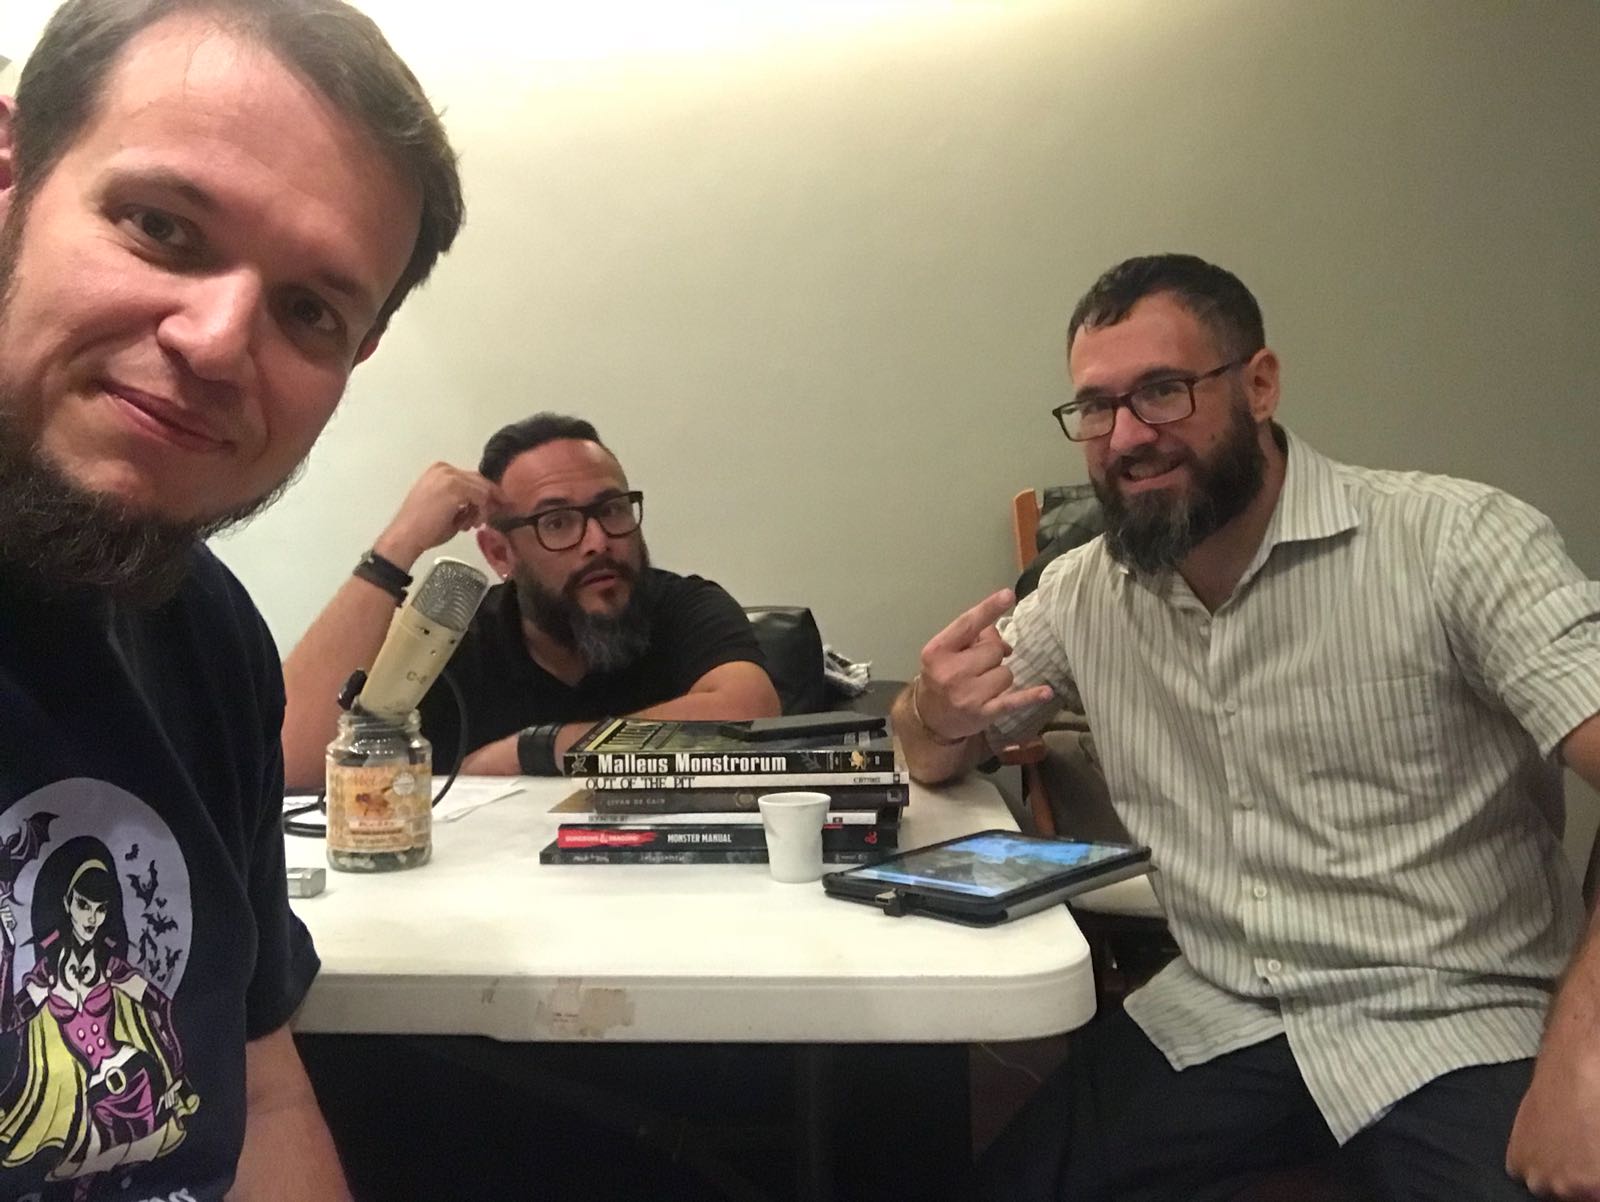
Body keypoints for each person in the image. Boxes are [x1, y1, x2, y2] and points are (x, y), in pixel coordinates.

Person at [896, 254, 1600, 1201]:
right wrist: (933, 710)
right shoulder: (1082, 592)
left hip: (1461, 1020)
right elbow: (928, 748)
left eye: (1163, 391)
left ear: (1259, 385)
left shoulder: (1458, 543)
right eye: (1096, 407)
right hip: (1223, 1012)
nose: (1126, 436)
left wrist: (1588, 1051)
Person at [0, 0, 464, 1196]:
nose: (217, 342)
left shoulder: (205, 635)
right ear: (9, 179)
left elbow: (257, 1090)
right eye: (161, 226)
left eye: (310, 310)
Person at [280, 412, 780, 787]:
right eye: (556, 522)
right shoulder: (456, 641)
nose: (598, 542)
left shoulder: (683, 606)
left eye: (611, 510)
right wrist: (395, 550)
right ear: (500, 553)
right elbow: (291, 763)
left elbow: (750, 713)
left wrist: (532, 750)